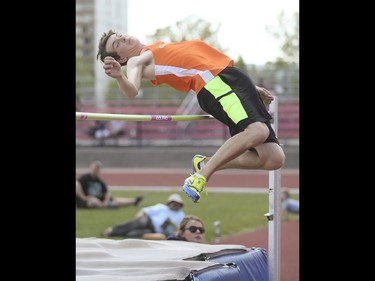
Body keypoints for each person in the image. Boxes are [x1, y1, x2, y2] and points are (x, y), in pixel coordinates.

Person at [96, 31, 286, 203]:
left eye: (119, 36)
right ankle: (201, 176)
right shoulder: (136, 61)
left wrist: (251, 89)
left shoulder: (155, 47)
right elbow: (132, 91)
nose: (122, 38)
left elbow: (199, 60)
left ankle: (203, 163)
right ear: (121, 58)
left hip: (230, 78)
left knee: (273, 158)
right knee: (256, 131)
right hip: (214, 84)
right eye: (117, 44)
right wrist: (120, 77)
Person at [101, 193, 185, 238]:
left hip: (155, 231)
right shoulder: (161, 207)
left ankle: (114, 234)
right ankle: (112, 230)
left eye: (177, 203)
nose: (175, 204)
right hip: (148, 220)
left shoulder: (181, 215)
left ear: (180, 204)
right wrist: (139, 215)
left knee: (132, 234)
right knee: (141, 222)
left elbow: (178, 230)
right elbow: (145, 211)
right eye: (173, 202)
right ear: (170, 202)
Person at [76, 160, 145, 208]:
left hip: (100, 200)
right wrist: (84, 197)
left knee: (114, 200)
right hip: (87, 201)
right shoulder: (84, 178)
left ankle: (134, 201)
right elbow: (77, 185)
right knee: (93, 203)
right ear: (91, 168)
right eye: (94, 169)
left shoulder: (100, 181)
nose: (95, 171)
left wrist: (106, 201)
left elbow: (107, 192)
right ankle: (107, 206)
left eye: (97, 169)